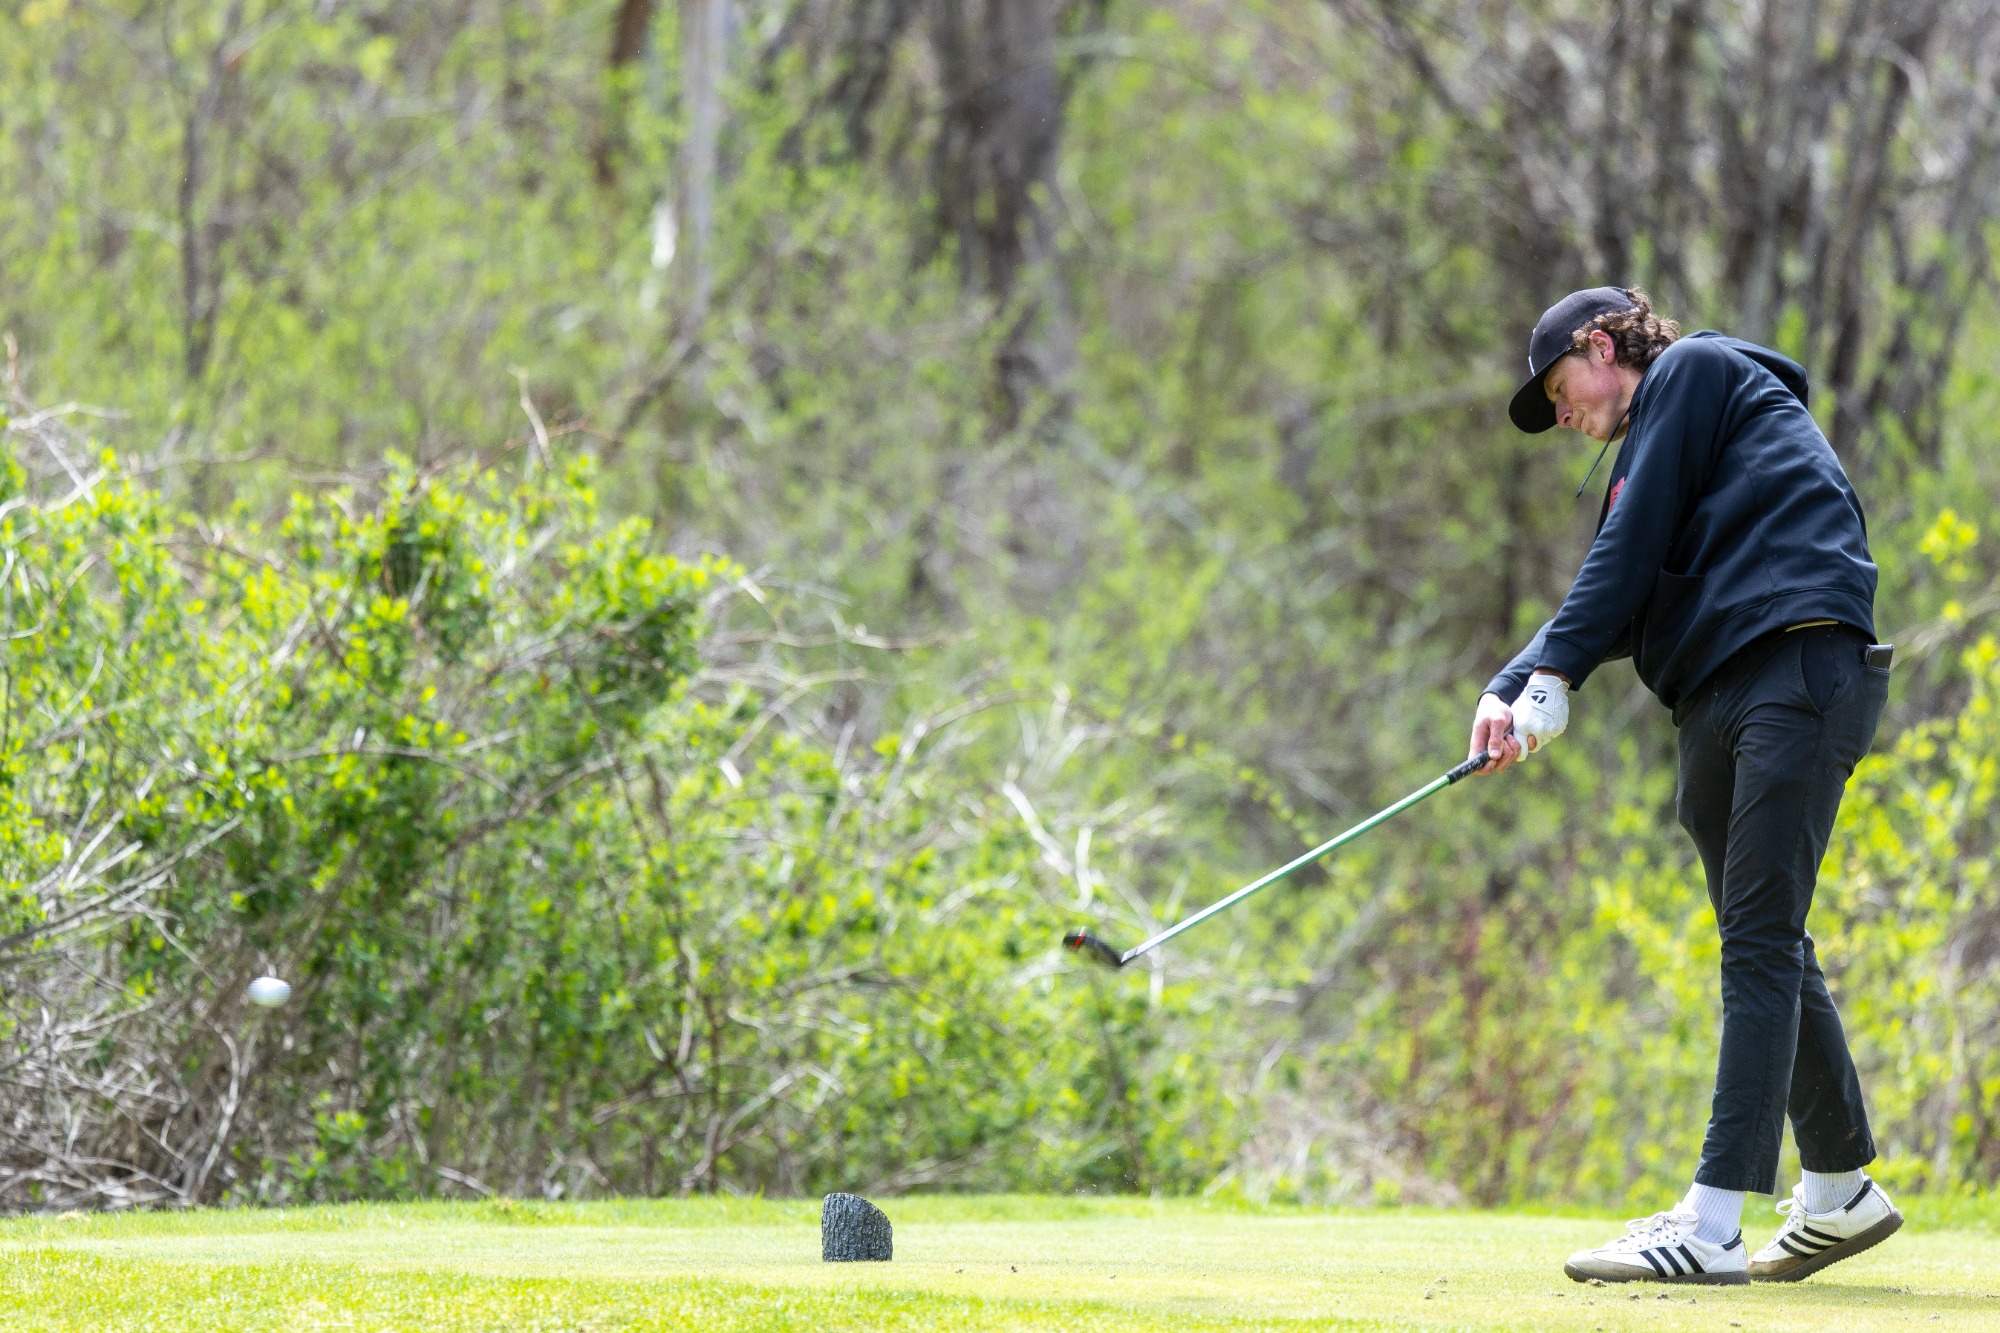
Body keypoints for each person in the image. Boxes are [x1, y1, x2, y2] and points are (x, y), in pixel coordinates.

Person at [1471, 288, 1902, 1285]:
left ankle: (1708, 1223)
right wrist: (1511, 684)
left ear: (1598, 344)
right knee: (1768, 943)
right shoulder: (1661, 445)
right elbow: (1623, 586)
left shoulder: (1695, 371)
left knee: (1756, 945)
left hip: (1791, 665)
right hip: (1720, 689)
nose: (1562, 414)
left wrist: (1549, 674)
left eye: (1557, 390)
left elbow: (1617, 558)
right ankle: (1837, 1189)